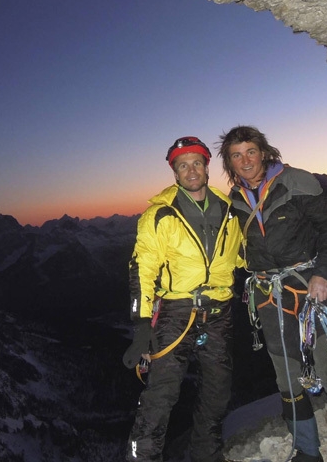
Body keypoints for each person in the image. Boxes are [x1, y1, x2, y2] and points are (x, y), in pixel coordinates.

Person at [217, 126, 327, 462]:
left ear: (264, 152)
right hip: (267, 295)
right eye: (236, 155)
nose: (245, 160)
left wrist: (324, 274)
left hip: (309, 289)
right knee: (287, 378)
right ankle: (307, 451)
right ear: (229, 163)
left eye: (250, 151)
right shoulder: (234, 200)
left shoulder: (297, 181)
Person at [122, 136, 244, 462]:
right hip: (176, 312)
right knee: (160, 397)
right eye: (182, 165)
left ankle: (206, 455)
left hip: (219, 311)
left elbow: (246, 256)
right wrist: (142, 324)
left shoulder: (231, 211)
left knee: (217, 394)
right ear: (175, 173)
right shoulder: (160, 215)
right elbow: (141, 269)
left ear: (207, 167)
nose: (191, 171)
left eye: (197, 163)